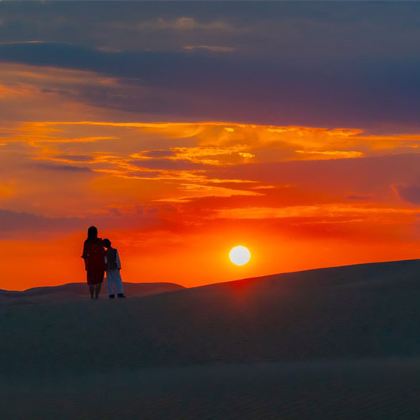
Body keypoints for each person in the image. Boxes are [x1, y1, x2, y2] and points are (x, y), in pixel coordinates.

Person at [82, 226, 106, 299]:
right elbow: (103, 252)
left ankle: (92, 296)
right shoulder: (99, 241)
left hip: (91, 264)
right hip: (100, 263)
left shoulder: (87, 242)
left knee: (91, 281)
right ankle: (96, 296)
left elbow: (84, 255)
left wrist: (86, 265)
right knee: (99, 280)